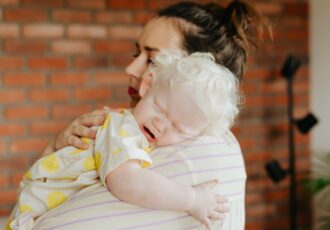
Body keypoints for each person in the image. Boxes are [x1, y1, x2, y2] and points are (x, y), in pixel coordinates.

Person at [29, 1, 272, 229]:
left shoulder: (205, 150)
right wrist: (54, 148)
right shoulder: (126, 126)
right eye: (137, 55)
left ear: (198, 70)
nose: (131, 69)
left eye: (152, 59)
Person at [8, 51, 240, 230]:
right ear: (147, 85)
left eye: (177, 128)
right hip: (33, 214)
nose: (160, 125)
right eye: (159, 108)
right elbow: (127, 182)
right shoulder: (122, 127)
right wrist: (191, 199)